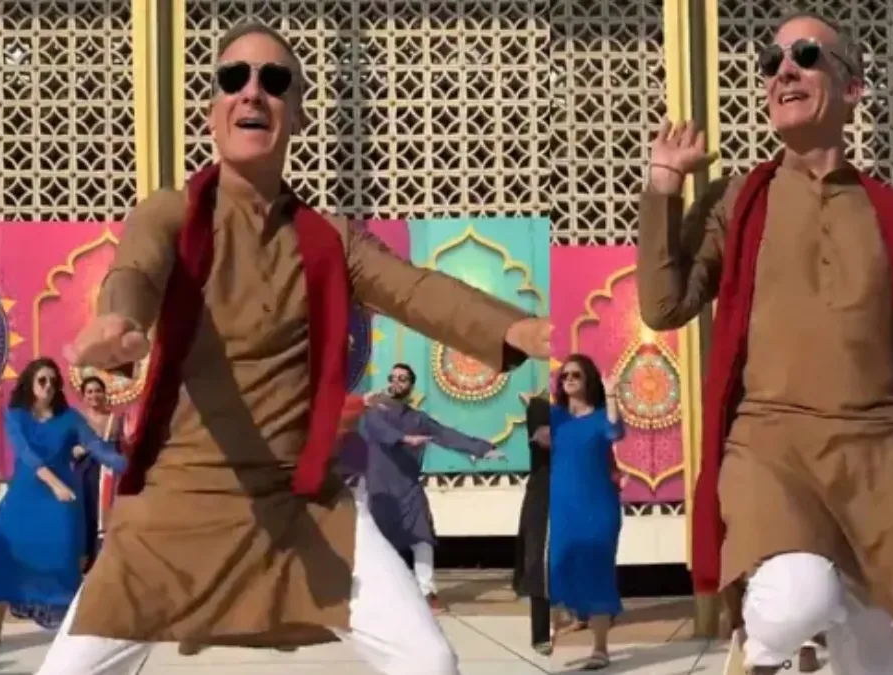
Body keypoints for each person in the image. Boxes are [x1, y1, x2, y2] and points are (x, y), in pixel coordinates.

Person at [36, 22, 549, 675]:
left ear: (297, 113)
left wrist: (522, 331)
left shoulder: (329, 238)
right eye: (234, 78)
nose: (252, 92)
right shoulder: (169, 213)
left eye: (274, 81)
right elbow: (135, 271)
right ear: (213, 110)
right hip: (179, 503)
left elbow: (415, 290)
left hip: (300, 501)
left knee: (428, 660)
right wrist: (120, 321)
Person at [636, 11, 893, 674]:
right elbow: (664, 305)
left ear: (853, 87)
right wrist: (663, 189)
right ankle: (762, 643)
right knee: (795, 600)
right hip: (771, 445)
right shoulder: (738, 201)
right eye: (772, 62)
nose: (784, 70)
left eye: (806, 56)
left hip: (874, 462)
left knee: (882, 663)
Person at [0, 359, 127, 651]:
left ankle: (70, 631)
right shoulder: (16, 415)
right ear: (30, 383)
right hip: (24, 500)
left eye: (54, 382)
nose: (48, 386)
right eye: (42, 380)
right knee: (3, 560)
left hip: (61, 505)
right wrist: (55, 484)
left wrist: (137, 469)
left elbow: (99, 449)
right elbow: (27, 455)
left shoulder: (70, 418)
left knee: (64, 563)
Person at [361, 363, 504, 611]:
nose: (396, 382)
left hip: (409, 488)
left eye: (403, 379)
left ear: (411, 385)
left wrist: (483, 449)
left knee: (422, 537)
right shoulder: (375, 412)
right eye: (393, 377)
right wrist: (405, 439)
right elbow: (381, 432)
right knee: (378, 543)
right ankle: (376, 593)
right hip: (381, 489)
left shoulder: (418, 418)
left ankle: (426, 591)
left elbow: (446, 435)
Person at [548, 355, 625, 670]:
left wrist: (611, 393)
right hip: (562, 508)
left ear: (588, 380)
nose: (568, 379)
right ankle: (550, 630)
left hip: (597, 507)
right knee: (557, 567)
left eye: (576, 375)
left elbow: (615, 432)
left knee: (598, 572)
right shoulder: (555, 417)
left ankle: (600, 649)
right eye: (564, 375)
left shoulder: (600, 417)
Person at [513, 390, 552, 655]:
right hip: (543, 494)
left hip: (573, 492)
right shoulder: (541, 412)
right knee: (538, 560)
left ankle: (583, 615)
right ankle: (541, 633)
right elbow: (543, 437)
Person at [70, 375, 119, 573]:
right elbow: (67, 448)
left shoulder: (115, 420)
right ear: (83, 396)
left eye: (98, 391)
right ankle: (84, 565)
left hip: (108, 475)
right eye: (89, 392)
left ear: (104, 393)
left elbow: (122, 448)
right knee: (85, 516)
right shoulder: (77, 420)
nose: (94, 395)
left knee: (106, 517)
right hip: (84, 473)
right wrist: (78, 450)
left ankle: (105, 565)